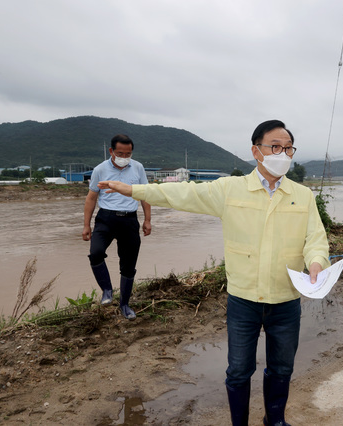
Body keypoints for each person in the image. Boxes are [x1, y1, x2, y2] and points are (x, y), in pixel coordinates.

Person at [98, 120, 329, 426]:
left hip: (285, 299)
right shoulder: (230, 190)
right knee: (237, 370)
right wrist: (133, 190)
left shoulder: (303, 195)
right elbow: (182, 194)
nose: (282, 154)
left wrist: (316, 263)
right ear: (256, 151)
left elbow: (315, 239)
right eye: (275, 147)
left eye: (288, 148)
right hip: (243, 300)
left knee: (283, 367)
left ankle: (274, 420)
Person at [82, 134, 152, 320]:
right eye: (120, 153)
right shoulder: (99, 169)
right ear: (111, 151)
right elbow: (91, 198)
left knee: (128, 266)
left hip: (129, 221)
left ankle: (125, 305)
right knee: (95, 253)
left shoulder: (138, 168)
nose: (124, 156)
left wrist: (147, 220)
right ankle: (107, 290)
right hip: (106, 219)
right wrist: (86, 225)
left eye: (128, 153)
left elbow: (145, 195)